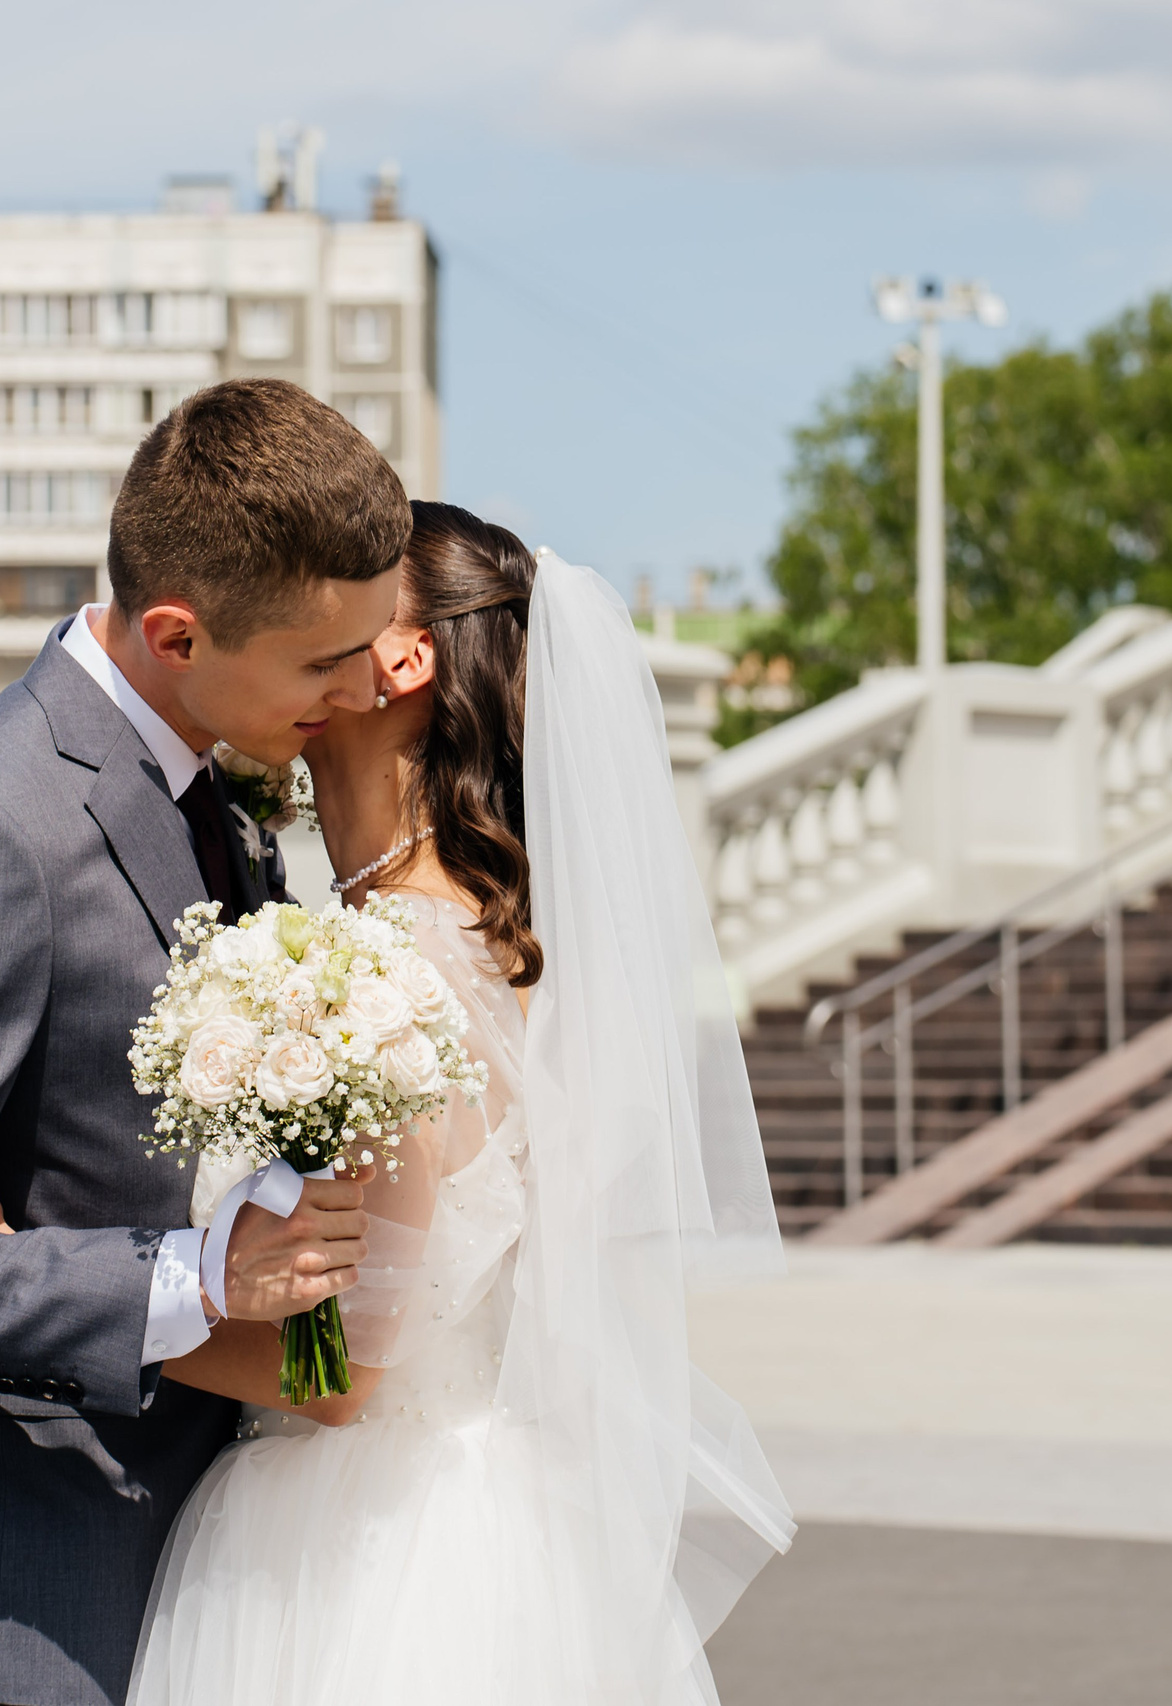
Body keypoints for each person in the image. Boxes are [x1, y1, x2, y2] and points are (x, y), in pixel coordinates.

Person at [0, 381, 408, 1706]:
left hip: (189, 1576)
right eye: (321, 662)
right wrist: (194, 1277)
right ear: (179, 633)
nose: (355, 690)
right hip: (12, 1604)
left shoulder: (214, 793)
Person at [127, 503, 794, 1705]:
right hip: (474, 1522)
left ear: (403, 655)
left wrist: (75, 1300)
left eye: (325, 606)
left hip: (370, 1567)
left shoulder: (400, 966)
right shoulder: (440, 930)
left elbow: (338, 1373)